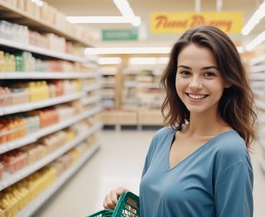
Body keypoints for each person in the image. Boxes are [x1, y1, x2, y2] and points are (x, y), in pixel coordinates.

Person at [103, 25, 256, 217]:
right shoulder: (162, 138)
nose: (194, 84)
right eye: (185, 72)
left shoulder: (230, 152)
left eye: (209, 73)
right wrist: (131, 202)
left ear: (227, 79)